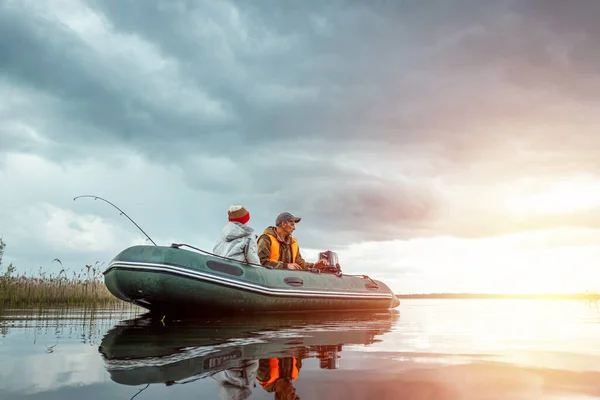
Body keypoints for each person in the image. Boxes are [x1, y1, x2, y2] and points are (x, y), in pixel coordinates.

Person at [257, 212, 328, 270]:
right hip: (270, 279)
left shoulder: (293, 242)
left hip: (288, 281)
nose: (294, 228)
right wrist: (286, 266)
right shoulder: (266, 239)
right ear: (283, 224)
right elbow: (262, 262)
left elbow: (299, 263)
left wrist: (314, 266)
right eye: (292, 225)